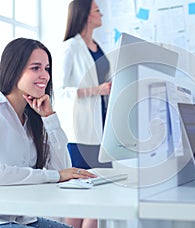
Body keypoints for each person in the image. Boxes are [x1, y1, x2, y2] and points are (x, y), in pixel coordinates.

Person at [0, 38, 97, 227]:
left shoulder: (32, 119)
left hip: (24, 219)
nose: (45, 75)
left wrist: (50, 118)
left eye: (47, 68)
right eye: (35, 68)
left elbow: (62, 168)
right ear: (14, 69)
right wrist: (56, 176)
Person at [53, 0, 112, 227]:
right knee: (81, 196)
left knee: (98, 196)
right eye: (97, 10)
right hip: (80, 132)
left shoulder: (98, 48)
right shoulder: (70, 48)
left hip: (102, 129)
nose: (101, 14)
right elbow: (59, 90)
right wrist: (95, 90)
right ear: (86, 15)